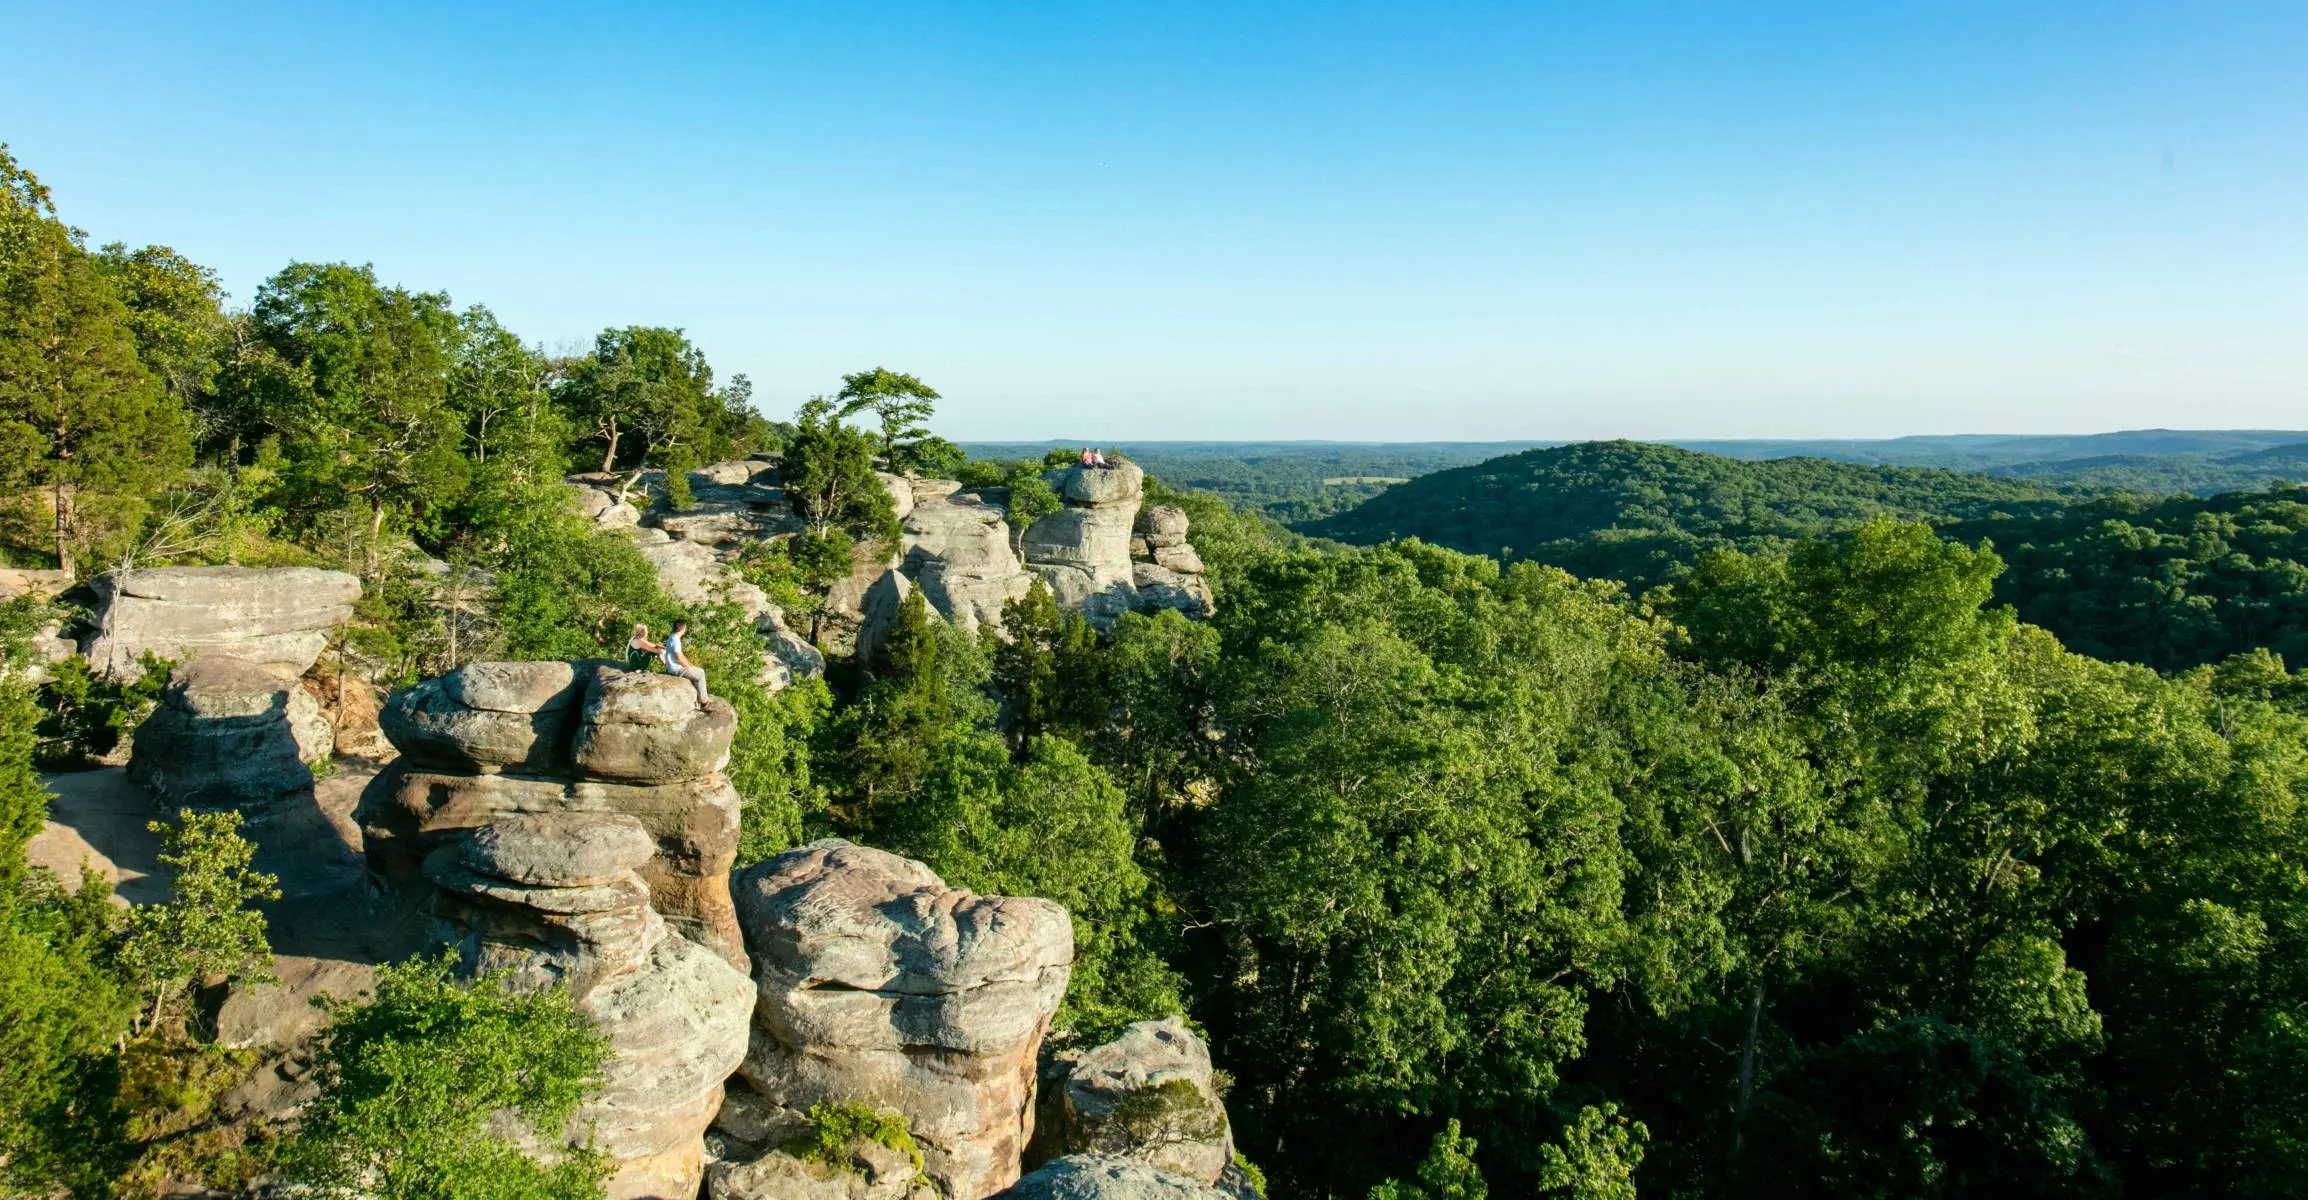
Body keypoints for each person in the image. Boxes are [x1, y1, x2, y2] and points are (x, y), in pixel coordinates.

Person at [661, 618, 709, 704]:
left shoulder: (672, 637)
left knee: (696, 671)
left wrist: (691, 666)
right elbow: (679, 657)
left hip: (672, 668)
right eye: (685, 627)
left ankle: (698, 699)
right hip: (676, 669)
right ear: (682, 628)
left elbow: (682, 656)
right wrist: (689, 667)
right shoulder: (675, 639)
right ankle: (703, 699)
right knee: (701, 673)